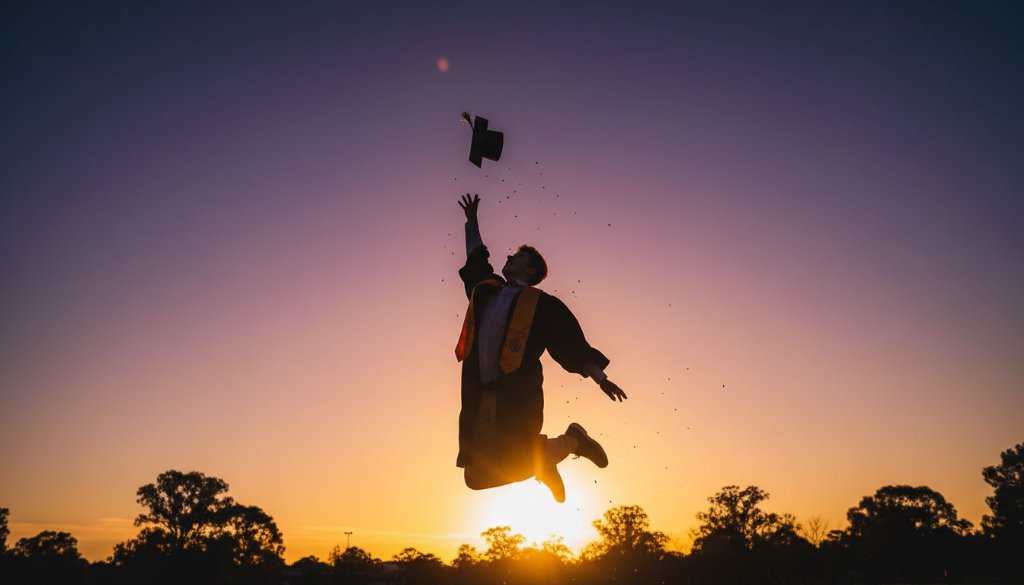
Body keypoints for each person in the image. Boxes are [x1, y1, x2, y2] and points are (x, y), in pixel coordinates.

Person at [454, 193, 628, 502]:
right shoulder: (486, 291)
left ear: (531, 272)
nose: (509, 257)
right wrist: (472, 222)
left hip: (516, 397)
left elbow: (572, 345)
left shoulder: (543, 305)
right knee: (476, 477)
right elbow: (476, 258)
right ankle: (548, 459)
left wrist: (601, 378)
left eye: (518, 257)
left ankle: (572, 441)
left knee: (512, 453)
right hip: (480, 395)